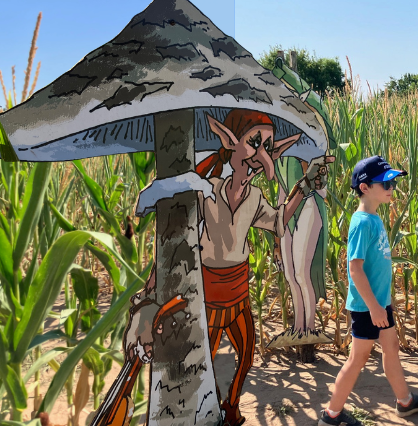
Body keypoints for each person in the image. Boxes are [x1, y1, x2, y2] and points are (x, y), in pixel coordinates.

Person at [125, 109, 333, 426]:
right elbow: (176, 235)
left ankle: (231, 407)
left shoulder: (254, 197)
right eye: (254, 143)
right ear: (228, 140)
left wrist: (303, 187)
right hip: (210, 294)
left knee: (246, 357)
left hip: (238, 292)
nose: (262, 157)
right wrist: (151, 288)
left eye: (268, 147)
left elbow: (278, 223)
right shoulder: (207, 191)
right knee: (199, 361)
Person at [318, 156, 418, 426]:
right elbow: (355, 269)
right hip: (366, 307)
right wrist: (373, 307)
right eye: (384, 183)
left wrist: (381, 303)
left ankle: (405, 402)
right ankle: (331, 415)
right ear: (364, 187)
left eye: (392, 182)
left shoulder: (373, 218)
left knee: (391, 348)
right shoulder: (361, 223)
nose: (391, 187)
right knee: (357, 359)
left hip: (379, 304)